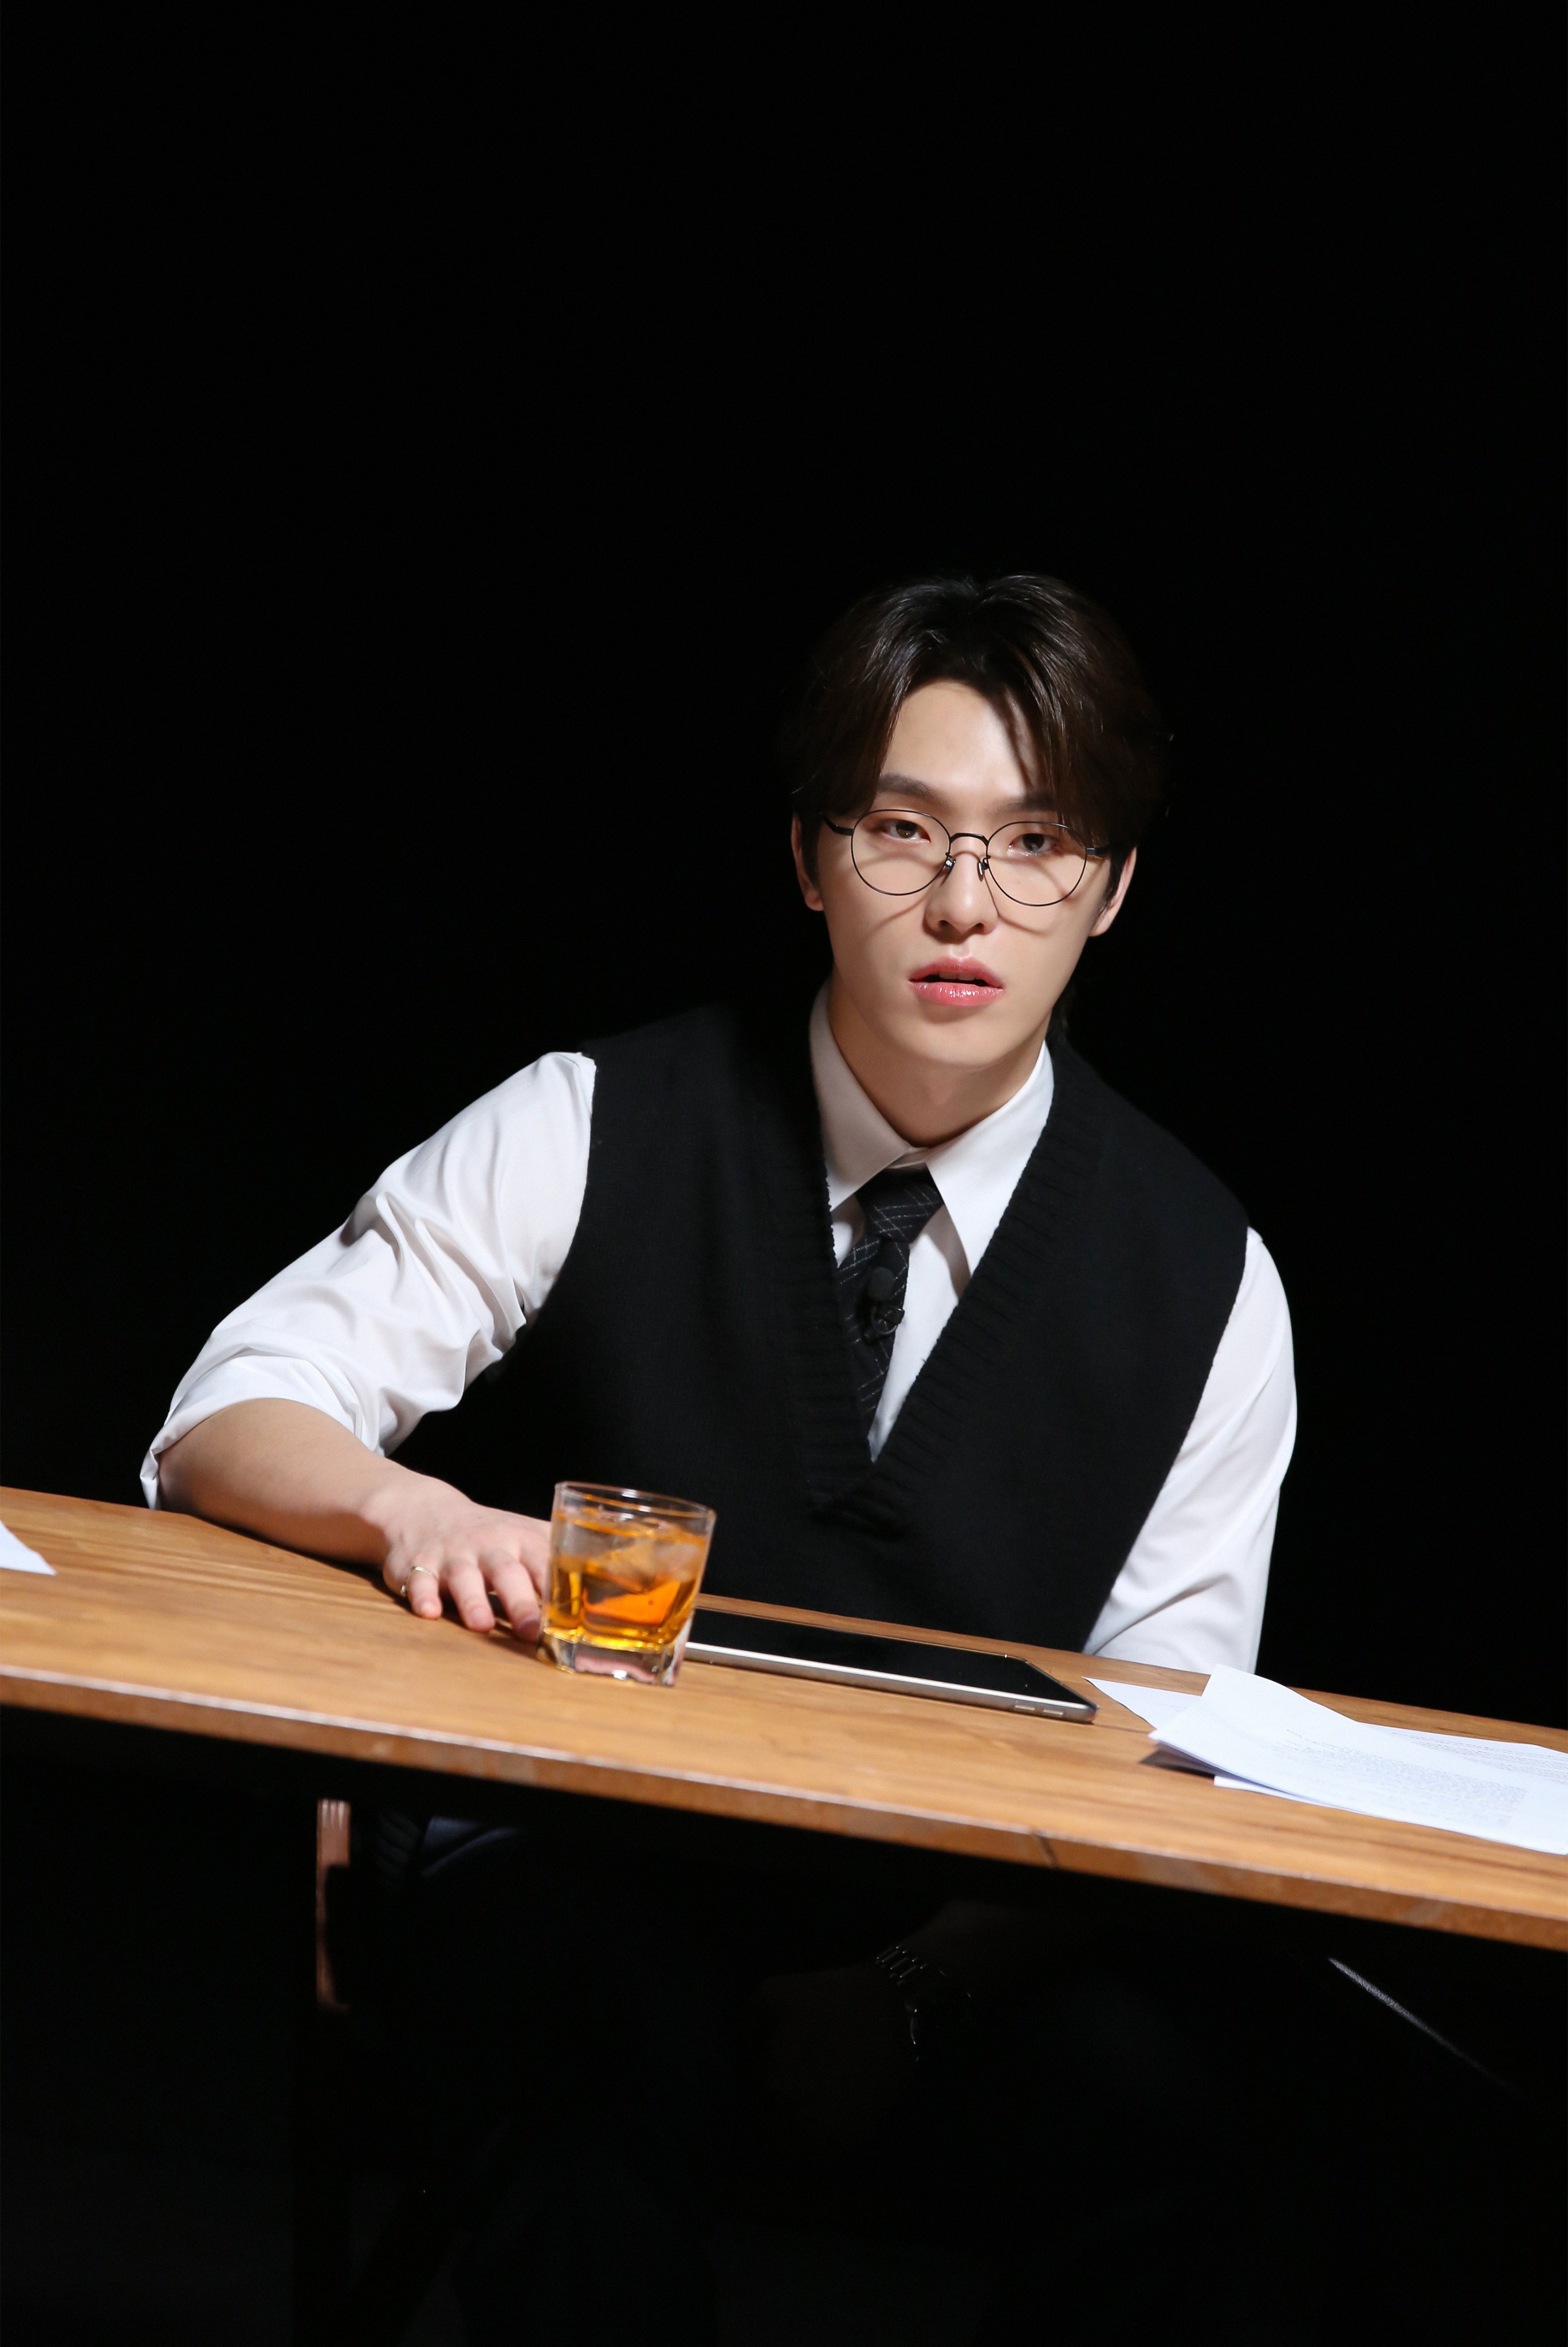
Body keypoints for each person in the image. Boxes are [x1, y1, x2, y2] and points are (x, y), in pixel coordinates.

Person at [149, 575, 1298, 2342]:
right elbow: (231, 1406)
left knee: (1172, 2120)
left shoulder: (1207, 1278)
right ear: (810, 858)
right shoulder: (595, 1119)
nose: (964, 904)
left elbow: (1168, 1760)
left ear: (1113, 886)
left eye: (1035, 843)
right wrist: (403, 1505)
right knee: (589, 2040)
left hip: (946, 1933)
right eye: (902, 831)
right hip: (573, 1871)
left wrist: (906, 1989)